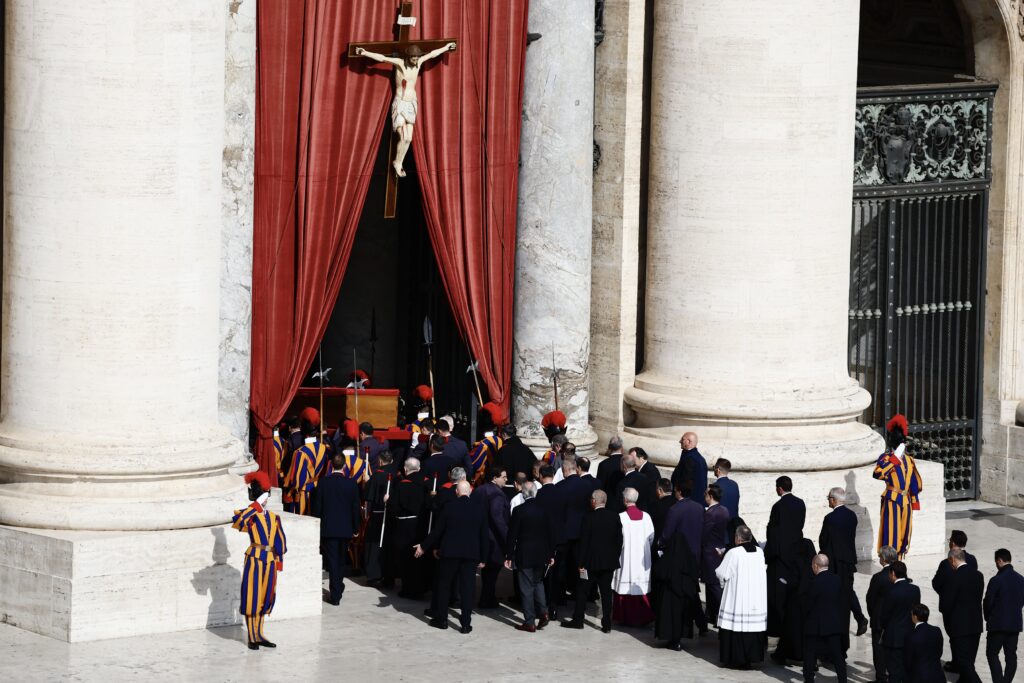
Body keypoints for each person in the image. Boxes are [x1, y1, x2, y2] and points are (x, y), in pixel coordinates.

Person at [353, 41, 457, 177]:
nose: (416, 60)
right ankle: (397, 162)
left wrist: (445, 47)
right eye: (413, 58)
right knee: (402, 136)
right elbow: (383, 58)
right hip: (400, 103)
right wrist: (365, 52)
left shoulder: (418, 62)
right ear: (408, 57)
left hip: (411, 103)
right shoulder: (400, 63)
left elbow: (432, 54)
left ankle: (398, 161)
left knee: (409, 138)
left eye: (417, 57)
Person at [415, 480, 487, 634]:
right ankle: (466, 623)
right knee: (468, 588)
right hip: (470, 554)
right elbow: (484, 536)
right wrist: (483, 557)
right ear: (471, 491)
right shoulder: (479, 509)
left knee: (444, 585)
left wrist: (424, 546)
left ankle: (442, 620)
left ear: (456, 492)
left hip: (450, 553)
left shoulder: (449, 507)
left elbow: (437, 531)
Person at [232, 471, 287, 650]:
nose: (266, 498)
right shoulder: (252, 514)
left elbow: (280, 541)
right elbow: (238, 522)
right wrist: (254, 506)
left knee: (265, 597)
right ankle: (252, 636)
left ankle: (260, 634)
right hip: (255, 558)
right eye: (264, 495)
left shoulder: (273, 517)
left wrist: (279, 561)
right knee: (253, 597)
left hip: (270, 560)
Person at [563, 490, 622, 632]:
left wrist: (580, 563)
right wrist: (614, 557)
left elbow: (584, 543)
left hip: (590, 562)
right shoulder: (614, 517)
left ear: (594, 501)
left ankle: (578, 620)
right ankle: (607, 624)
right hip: (608, 562)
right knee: (606, 593)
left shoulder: (588, 517)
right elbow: (619, 541)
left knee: (582, 591)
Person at [819, 486, 870, 644]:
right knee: (847, 590)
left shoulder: (830, 518)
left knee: (836, 593)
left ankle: (841, 624)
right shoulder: (852, 516)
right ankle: (860, 618)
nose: (828, 500)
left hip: (834, 561)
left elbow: (824, 541)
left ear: (834, 500)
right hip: (848, 560)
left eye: (829, 498)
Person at [505, 481, 556, 632]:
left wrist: (508, 555)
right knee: (538, 583)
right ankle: (544, 612)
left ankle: (529, 621)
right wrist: (551, 554)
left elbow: (512, 535)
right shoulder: (545, 510)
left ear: (523, 493)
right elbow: (551, 534)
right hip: (542, 554)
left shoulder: (519, 510)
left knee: (526, 588)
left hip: (524, 554)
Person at [311, 453, 362, 605]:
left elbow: (317, 507)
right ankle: (337, 587)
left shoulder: (323, 483)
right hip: (345, 528)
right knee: (340, 560)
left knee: (333, 561)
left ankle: (336, 592)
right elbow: (355, 509)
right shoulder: (351, 483)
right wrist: (356, 527)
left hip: (329, 528)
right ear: (345, 466)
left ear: (331, 465)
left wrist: (317, 524)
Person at [716, 525, 768, 670]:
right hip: (756, 599)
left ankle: (735, 659)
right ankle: (751, 659)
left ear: (737, 538)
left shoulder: (734, 553)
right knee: (752, 628)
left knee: (736, 626)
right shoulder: (759, 552)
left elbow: (722, 573)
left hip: (738, 598)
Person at [765, 476, 806, 654]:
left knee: (777, 596)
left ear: (780, 489)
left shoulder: (778, 506)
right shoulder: (800, 503)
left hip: (780, 558)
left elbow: (773, 533)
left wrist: (769, 555)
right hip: (795, 554)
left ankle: (777, 629)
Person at [873, 414, 923, 559]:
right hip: (892, 500)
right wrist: (895, 459)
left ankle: (899, 563)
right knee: (891, 535)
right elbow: (878, 474)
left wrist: (915, 502)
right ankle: (889, 564)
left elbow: (914, 483)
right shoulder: (886, 458)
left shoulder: (909, 460)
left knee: (904, 534)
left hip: (906, 501)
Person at [653, 516, 701, 651]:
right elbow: (693, 574)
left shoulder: (668, 557)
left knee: (669, 618)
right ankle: (678, 640)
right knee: (681, 618)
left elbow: (659, 572)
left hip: (669, 595)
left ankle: (671, 639)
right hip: (683, 595)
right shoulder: (689, 557)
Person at [612, 488, 655, 626]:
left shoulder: (621, 517)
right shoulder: (647, 516)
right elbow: (651, 538)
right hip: (643, 558)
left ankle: (624, 617)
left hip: (627, 557)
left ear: (625, 500)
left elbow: (618, 540)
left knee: (625, 582)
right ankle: (643, 617)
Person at [940, 547, 984, 683]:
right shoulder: (978, 575)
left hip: (960, 627)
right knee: (969, 660)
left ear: (953, 559)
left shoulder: (953, 577)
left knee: (964, 663)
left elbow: (946, 604)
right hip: (975, 625)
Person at [802, 554, 848, 683]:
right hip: (833, 623)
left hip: (815, 625)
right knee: (837, 655)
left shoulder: (814, 582)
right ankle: (843, 679)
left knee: (810, 654)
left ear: (816, 566)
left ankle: (809, 680)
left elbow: (808, 604)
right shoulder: (837, 579)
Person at [555, 456, 593, 610]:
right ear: (576, 469)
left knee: (561, 566)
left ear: (565, 470)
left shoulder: (560, 487)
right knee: (580, 566)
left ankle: (560, 596)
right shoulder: (587, 486)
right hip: (581, 532)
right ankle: (580, 596)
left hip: (564, 533)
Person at [387, 456, 427, 599]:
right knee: (418, 557)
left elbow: (394, 507)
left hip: (404, 525)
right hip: (420, 524)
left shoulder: (402, 485)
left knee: (405, 558)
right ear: (419, 468)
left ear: (405, 469)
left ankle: (408, 589)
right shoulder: (425, 483)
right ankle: (420, 588)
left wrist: (388, 501)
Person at [471, 466, 510, 608]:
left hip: (480, 535)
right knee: (492, 572)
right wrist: (508, 537)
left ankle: (487, 597)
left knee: (488, 571)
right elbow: (497, 518)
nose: (506, 479)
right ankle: (487, 600)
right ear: (495, 478)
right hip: (493, 538)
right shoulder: (497, 494)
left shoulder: (479, 490)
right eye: (503, 477)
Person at [985, 548, 1024, 683]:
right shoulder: (1021, 579)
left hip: (997, 624)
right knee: (1011, 656)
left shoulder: (996, 580)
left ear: (999, 560)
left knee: (992, 654)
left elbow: (988, 601)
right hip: (1014, 624)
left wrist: (988, 617)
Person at [879, 561, 921, 683]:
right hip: (910, 634)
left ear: (892, 573)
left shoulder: (891, 591)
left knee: (894, 671)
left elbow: (885, 615)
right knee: (907, 668)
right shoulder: (915, 589)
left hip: (893, 637)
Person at [867, 545, 899, 683]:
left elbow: (870, 599)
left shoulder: (878, 577)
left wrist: (873, 614)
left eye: (880, 556)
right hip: (895, 619)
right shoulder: (901, 573)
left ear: (884, 559)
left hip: (880, 619)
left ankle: (881, 677)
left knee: (879, 650)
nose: (879, 558)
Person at [702, 483, 730, 627]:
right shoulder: (724, 510)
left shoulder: (710, 513)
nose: (704, 496)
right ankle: (711, 614)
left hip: (709, 553)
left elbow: (704, 534)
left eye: (706, 494)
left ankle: (720, 614)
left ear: (711, 496)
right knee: (712, 584)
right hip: (719, 549)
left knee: (713, 585)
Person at [906, 604, 945, 683]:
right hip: (938, 676)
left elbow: (908, 661)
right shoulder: (937, 630)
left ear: (915, 617)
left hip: (919, 678)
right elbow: (939, 652)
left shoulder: (911, 636)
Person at [496, 424, 537, 499]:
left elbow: (497, 471)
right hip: (526, 491)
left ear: (504, 434)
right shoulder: (526, 450)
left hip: (507, 491)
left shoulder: (503, 450)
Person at [670, 432, 707, 506]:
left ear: (689, 441)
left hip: (689, 502)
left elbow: (686, 481)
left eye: (682, 439)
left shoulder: (690, 458)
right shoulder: (699, 458)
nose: (680, 441)